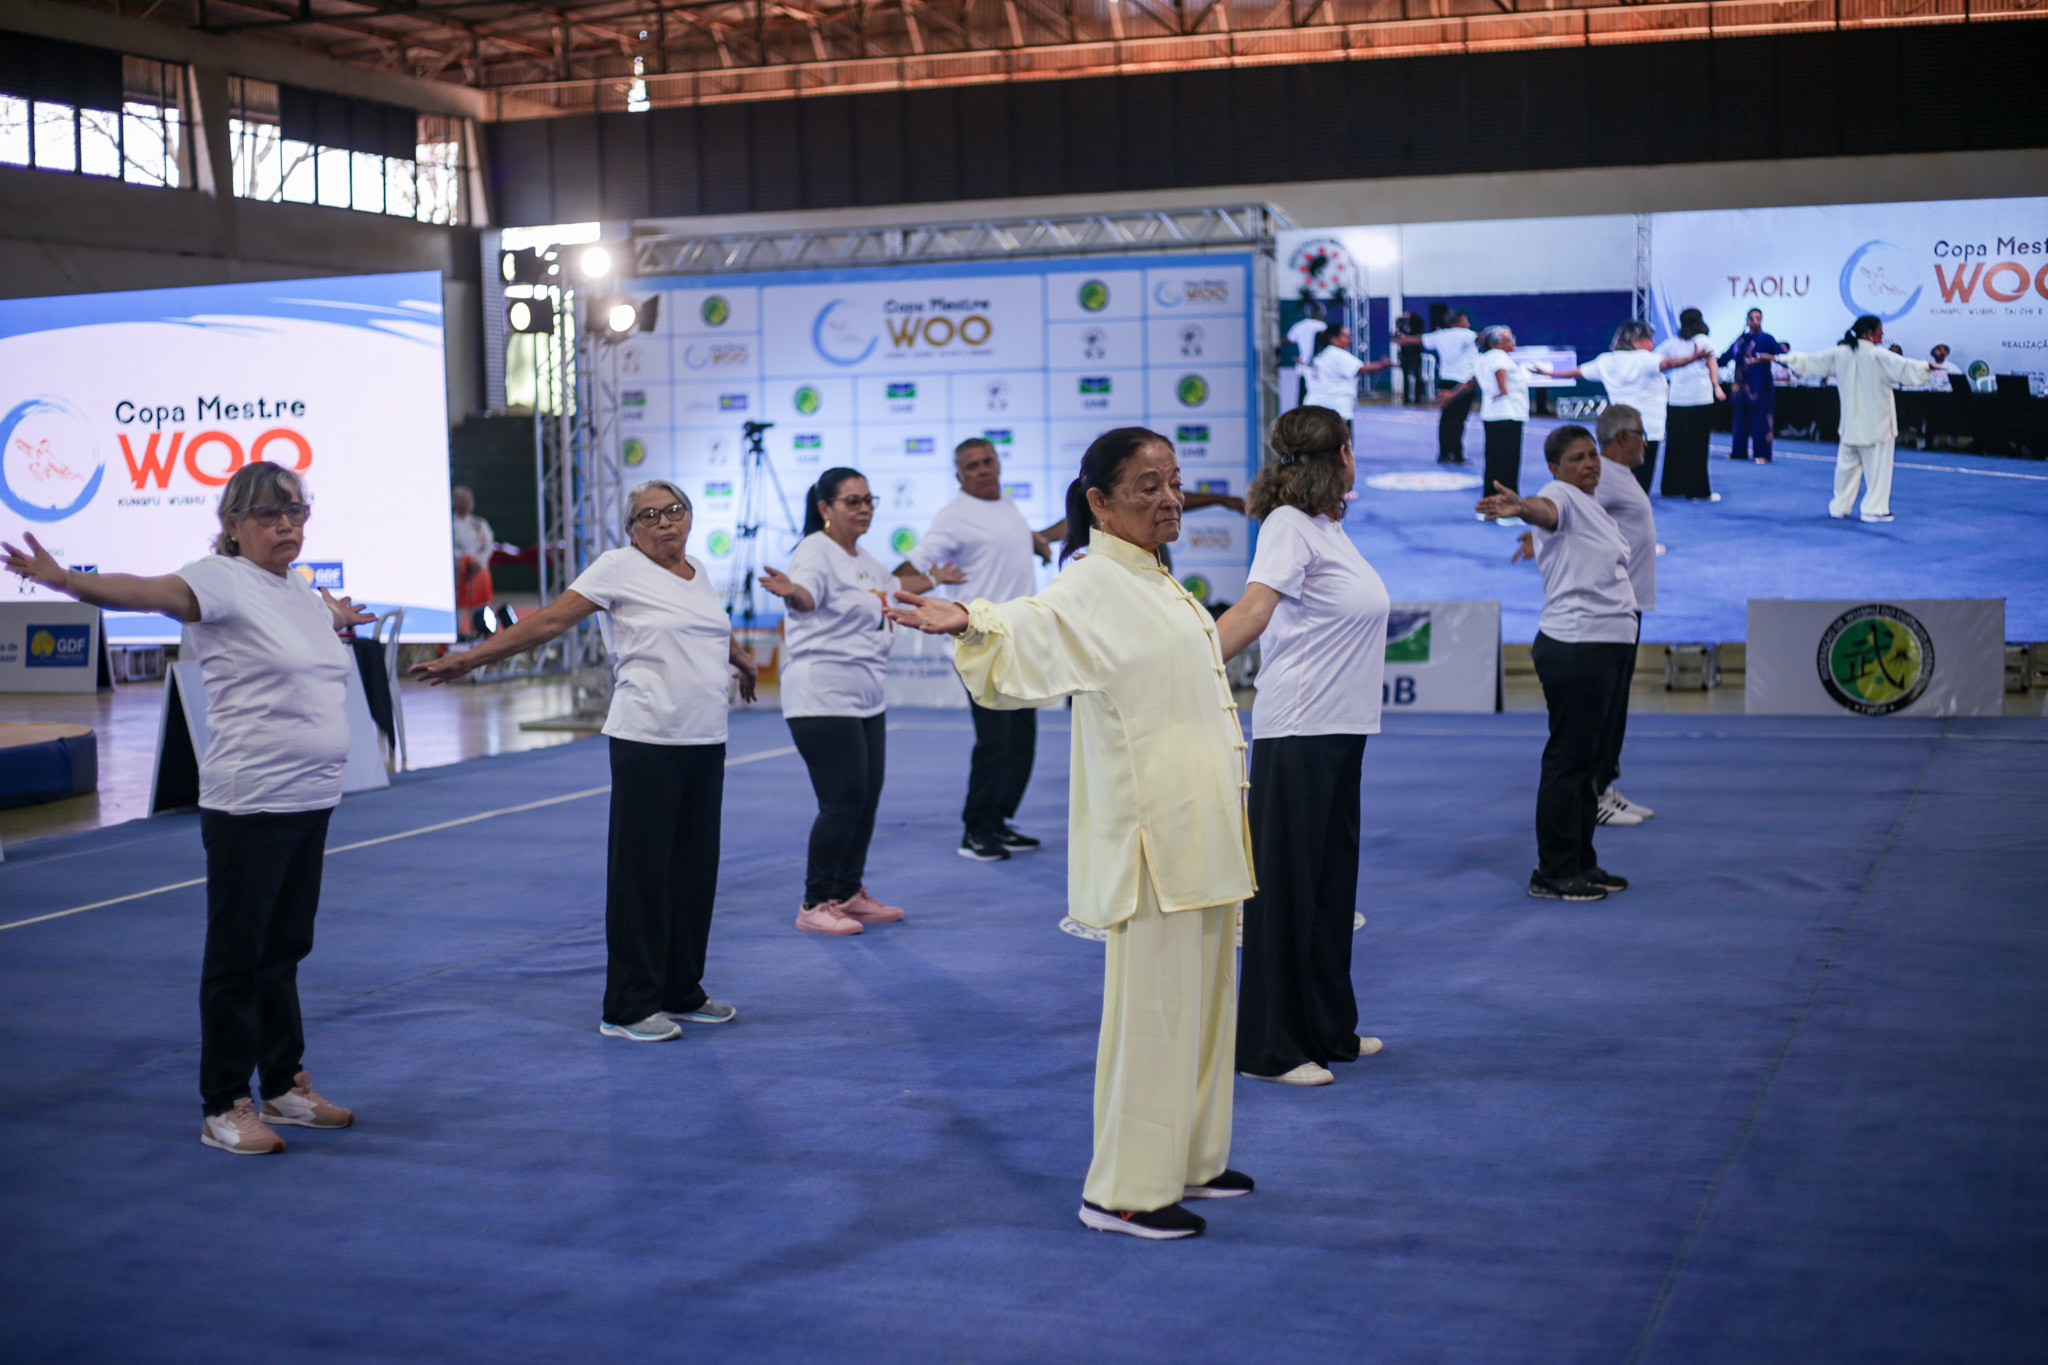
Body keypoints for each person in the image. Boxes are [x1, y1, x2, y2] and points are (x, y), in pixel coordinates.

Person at [888, 428, 1258, 1242]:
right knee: (1154, 1018)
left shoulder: (1157, 579)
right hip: (1152, 838)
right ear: (1098, 502)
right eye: (1146, 485)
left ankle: (1192, 1155)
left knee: (1204, 1007)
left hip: (1201, 828)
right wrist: (969, 619)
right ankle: (1124, 1190)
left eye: (1174, 482)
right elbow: (1033, 624)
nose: (1167, 498)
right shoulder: (1093, 580)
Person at [6, 463, 373, 1155]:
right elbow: (147, 591)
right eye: (270, 514)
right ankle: (223, 1101)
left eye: (296, 510)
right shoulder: (218, 579)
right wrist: (68, 582)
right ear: (233, 524)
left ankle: (284, 1084)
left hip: (308, 797)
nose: (288, 523)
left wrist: (340, 616)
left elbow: (316, 623)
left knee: (285, 950)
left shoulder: (295, 586)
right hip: (251, 802)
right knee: (238, 956)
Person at [413, 480, 758, 1042]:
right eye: (650, 516)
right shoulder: (616, 567)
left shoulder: (696, 570)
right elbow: (550, 621)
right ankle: (626, 1007)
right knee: (642, 878)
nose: (665, 522)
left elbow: (711, 631)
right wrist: (470, 658)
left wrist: (742, 661)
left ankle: (681, 990)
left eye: (675, 511)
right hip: (647, 738)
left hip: (705, 738)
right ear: (631, 529)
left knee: (694, 875)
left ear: (690, 517)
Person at [1214, 405, 1390, 1087]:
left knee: (1326, 889)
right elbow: (1254, 612)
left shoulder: (1327, 525)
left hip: (1340, 730)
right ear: (1341, 453)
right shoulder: (1288, 527)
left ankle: (1326, 1028)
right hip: (1299, 730)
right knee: (1286, 894)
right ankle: (1272, 1046)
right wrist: (1187, 668)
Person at [761, 467, 962, 935]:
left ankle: (848, 892)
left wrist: (934, 579)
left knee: (866, 799)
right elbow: (806, 595)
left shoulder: (865, 559)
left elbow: (894, 591)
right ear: (824, 509)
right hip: (822, 692)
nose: (864, 507)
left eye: (869, 499)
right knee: (842, 801)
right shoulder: (815, 551)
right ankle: (814, 903)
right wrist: (793, 594)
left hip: (866, 695)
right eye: (852, 501)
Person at [1474, 427, 1637, 902]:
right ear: (1554, 469)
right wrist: (1522, 508)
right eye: (1576, 458)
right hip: (1577, 646)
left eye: (1592, 455)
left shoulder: (1591, 505)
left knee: (1587, 762)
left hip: (1601, 644)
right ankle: (1553, 871)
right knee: (1569, 760)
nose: (1589, 464)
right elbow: (1546, 511)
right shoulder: (1557, 495)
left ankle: (1581, 862)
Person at [895, 437, 1050, 863]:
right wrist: (925, 580)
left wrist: (1033, 540)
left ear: (998, 463)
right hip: (981, 644)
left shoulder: (1005, 504)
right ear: (959, 475)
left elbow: (1004, 547)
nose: (982, 469)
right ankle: (975, 830)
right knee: (994, 742)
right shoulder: (953, 517)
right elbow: (904, 572)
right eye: (971, 466)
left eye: (987, 461)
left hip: (1021, 640)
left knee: (1021, 743)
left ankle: (999, 821)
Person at [1779, 316, 1936, 524]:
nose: (1882, 335)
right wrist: (1927, 367)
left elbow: (1810, 361)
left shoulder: (1840, 354)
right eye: (1880, 331)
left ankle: (1840, 507)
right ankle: (1874, 510)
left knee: (1846, 471)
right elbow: (1906, 368)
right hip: (1877, 425)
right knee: (1878, 473)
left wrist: (1782, 358)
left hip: (1850, 425)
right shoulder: (1878, 355)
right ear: (1869, 333)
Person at [1537, 320, 1708, 493]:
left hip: (1615, 430)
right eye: (1649, 339)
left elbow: (1577, 372)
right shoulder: (1645, 359)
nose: (1653, 343)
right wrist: (1693, 358)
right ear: (1635, 341)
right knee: (1639, 486)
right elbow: (1669, 364)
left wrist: (1548, 373)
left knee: (1616, 482)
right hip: (1646, 431)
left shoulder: (1606, 361)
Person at [1446, 324, 1530, 501]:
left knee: (1492, 461)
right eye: (1509, 339)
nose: (1513, 341)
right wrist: (1502, 389)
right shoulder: (1500, 357)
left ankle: (1489, 501)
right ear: (1496, 344)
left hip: (1491, 415)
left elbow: (1470, 382)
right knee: (1509, 462)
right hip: (1509, 414)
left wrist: (1451, 395)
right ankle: (1508, 505)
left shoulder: (1481, 359)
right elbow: (1499, 370)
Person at [1658, 308, 1724, 500]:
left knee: (1674, 445)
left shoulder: (1672, 343)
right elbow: (1712, 362)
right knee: (1697, 446)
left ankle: (1671, 487)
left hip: (1676, 398)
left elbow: (1658, 360)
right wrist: (1716, 385)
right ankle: (1697, 491)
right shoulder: (1703, 340)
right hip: (1699, 398)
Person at [1300, 324, 1395, 451]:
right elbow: (1360, 368)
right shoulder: (1337, 353)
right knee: (1342, 453)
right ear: (1333, 339)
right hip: (1336, 409)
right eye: (1346, 336)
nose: (1349, 339)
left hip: (1314, 407)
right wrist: (1383, 365)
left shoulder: (1319, 354)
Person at [1720, 309, 1789, 464]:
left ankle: (1763, 454)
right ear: (1747, 320)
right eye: (1751, 318)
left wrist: (1768, 358)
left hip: (1762, 388)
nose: (1754, 321)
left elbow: (1781, 356)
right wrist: (1710, 362)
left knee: (1762, 423)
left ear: (1762, 320)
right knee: (1740, 422)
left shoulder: (1767, 339)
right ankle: (1738, 452)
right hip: (1741, 387)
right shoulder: (1741, 340)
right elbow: (1726, 357)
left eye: (1757, 318)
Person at [1414, 310, 1479, 464]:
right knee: (1459, 419)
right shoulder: (1467, 334)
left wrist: (1401, 338)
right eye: (1464, 320)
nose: (1468, 323)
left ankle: (1443, 453)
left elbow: (1419, 340)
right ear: (1455, 323)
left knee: (1445, 419)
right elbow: (1482, 338)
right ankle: (1456, 454)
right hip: (1463, 381)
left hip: (1445, 380)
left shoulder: (1440, 335)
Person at [451, 485, 494, 639]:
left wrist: (479, 562)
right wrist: (464, 560)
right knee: (459, 615)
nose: (467, 502)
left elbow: (488, 546)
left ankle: (484, 638)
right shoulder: (450, 524)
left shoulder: (479, 523)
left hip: (479, 575)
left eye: (469, 499)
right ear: (454, 502)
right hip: (459, 576)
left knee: (482, 612)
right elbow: (450, 547)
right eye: (463, 499)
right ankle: (458, 639)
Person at [1285, 302, 1328, 406]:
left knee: (1303, 399)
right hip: (1319, 368)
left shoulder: (1299, 326)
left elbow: (1288, 339)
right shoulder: (1323, 326)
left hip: (1303, 367)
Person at [1394, 311, 1427, 405]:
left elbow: (1420, 323)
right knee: (1405, 376)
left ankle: (1418, 397)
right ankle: (1406, 398)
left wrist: (1412, 315)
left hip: (1415, 354)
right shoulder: (1402, 328)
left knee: (1417, 375)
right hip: (1405, 355)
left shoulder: (1416, 328)